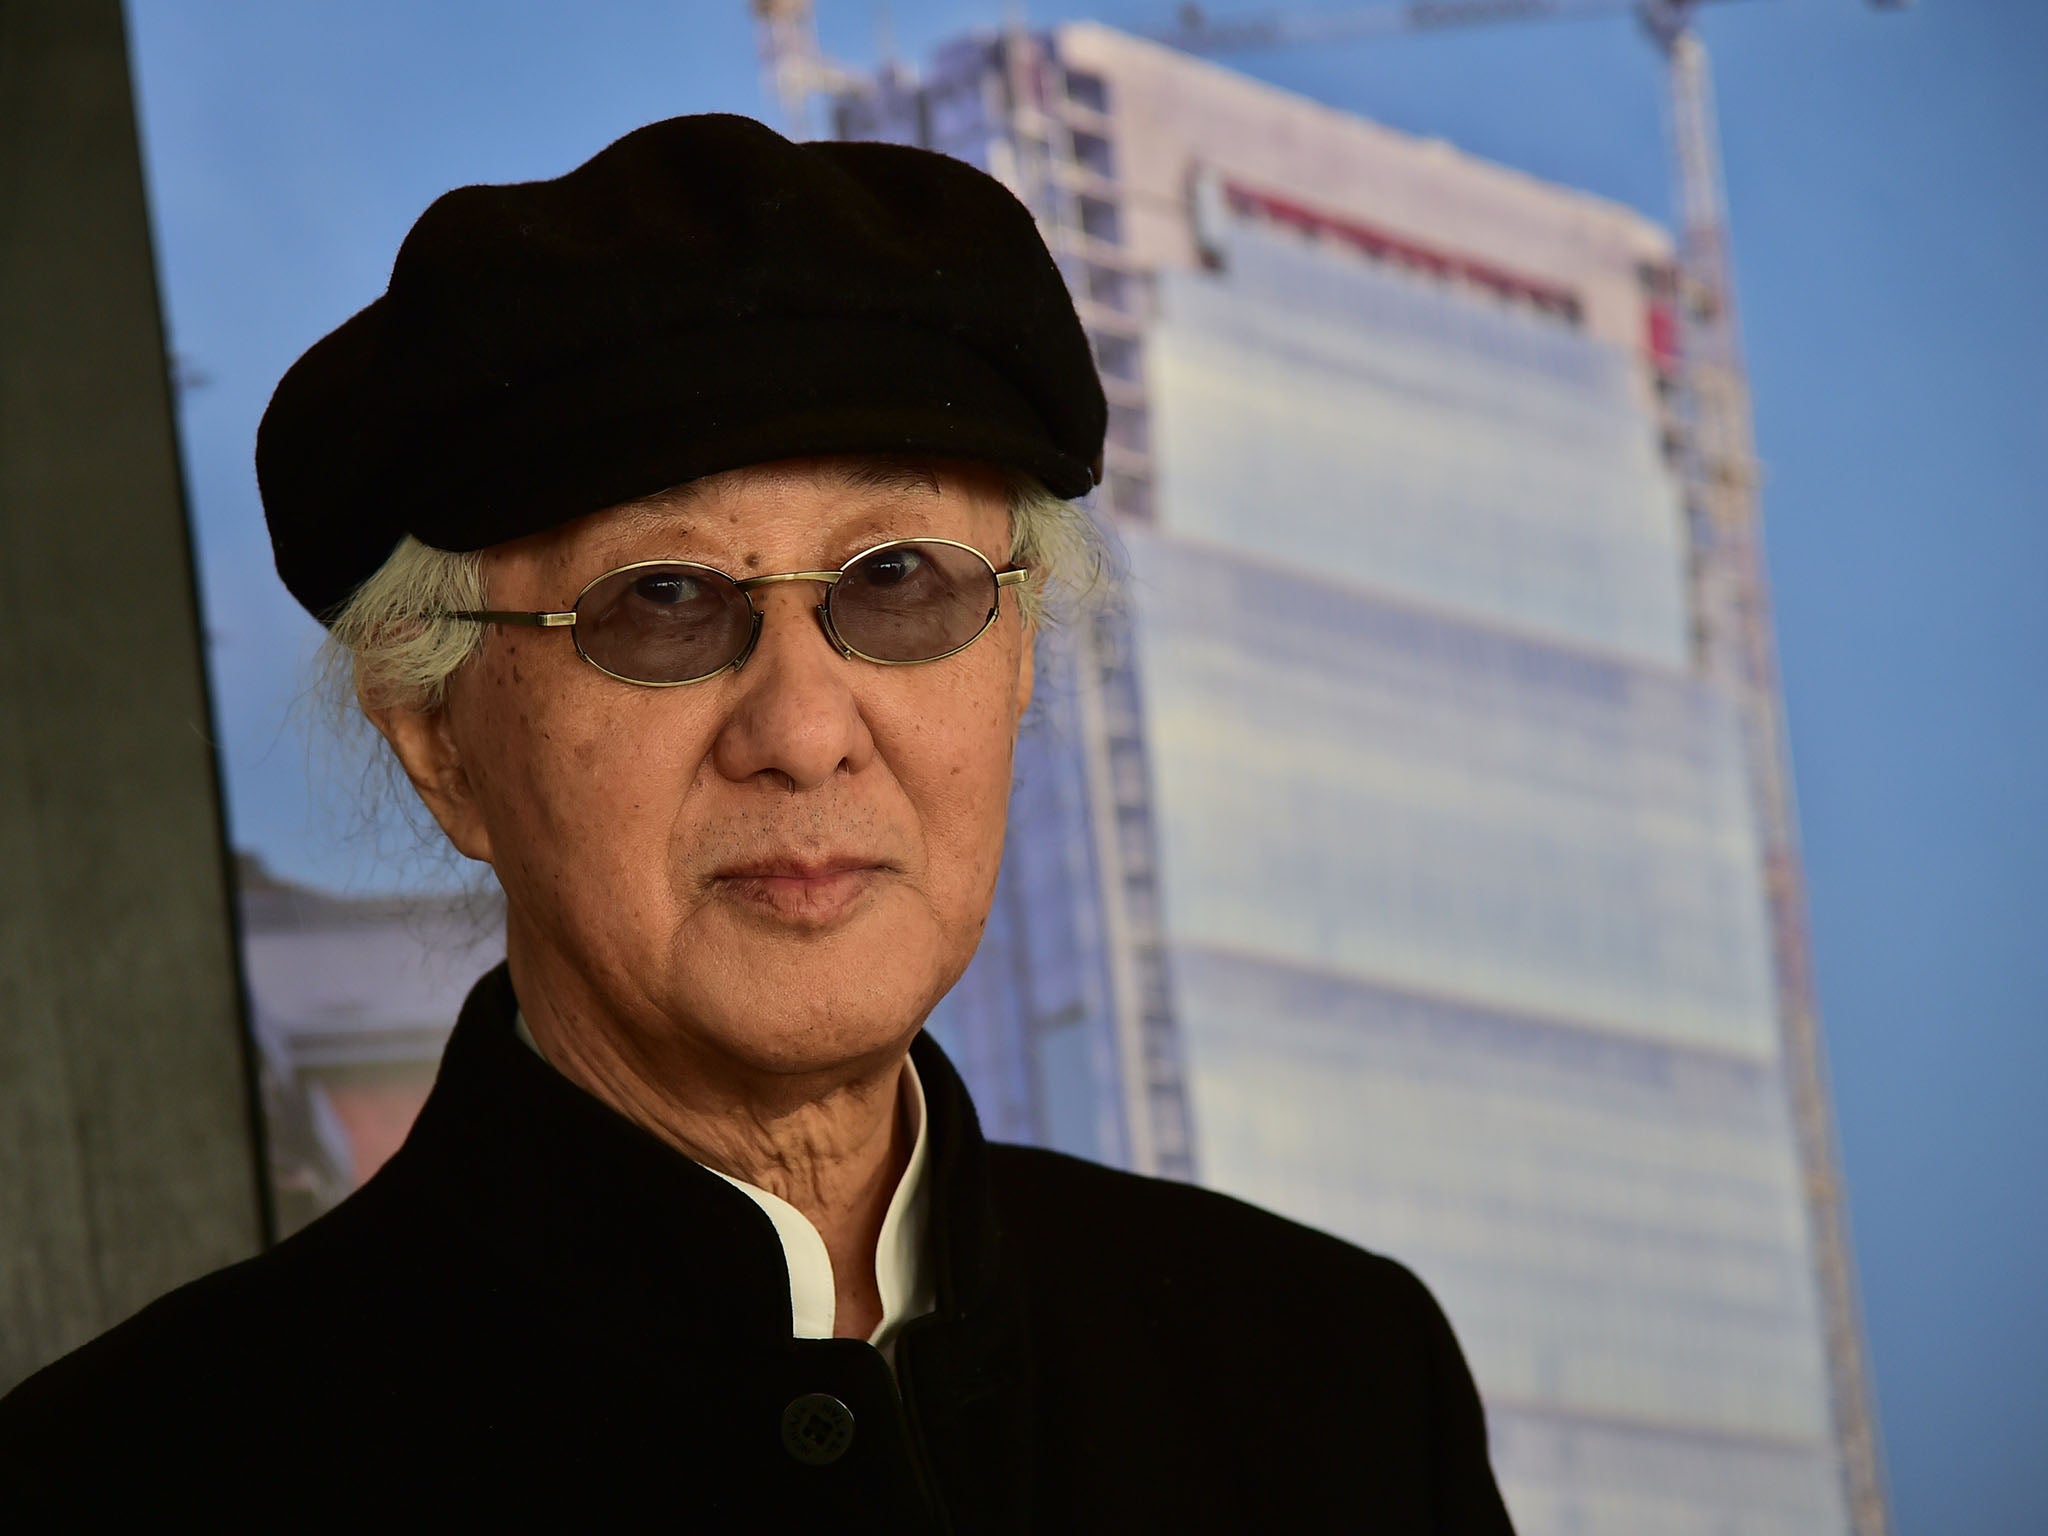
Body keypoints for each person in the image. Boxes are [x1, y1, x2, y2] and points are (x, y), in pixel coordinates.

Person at [0, 114, 1514, 1532]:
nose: (801, 731)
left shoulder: (1329, 1386)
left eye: (899, 580)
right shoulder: (130, 1477)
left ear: (1020, 663)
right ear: (440, 740)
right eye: (661, 600)